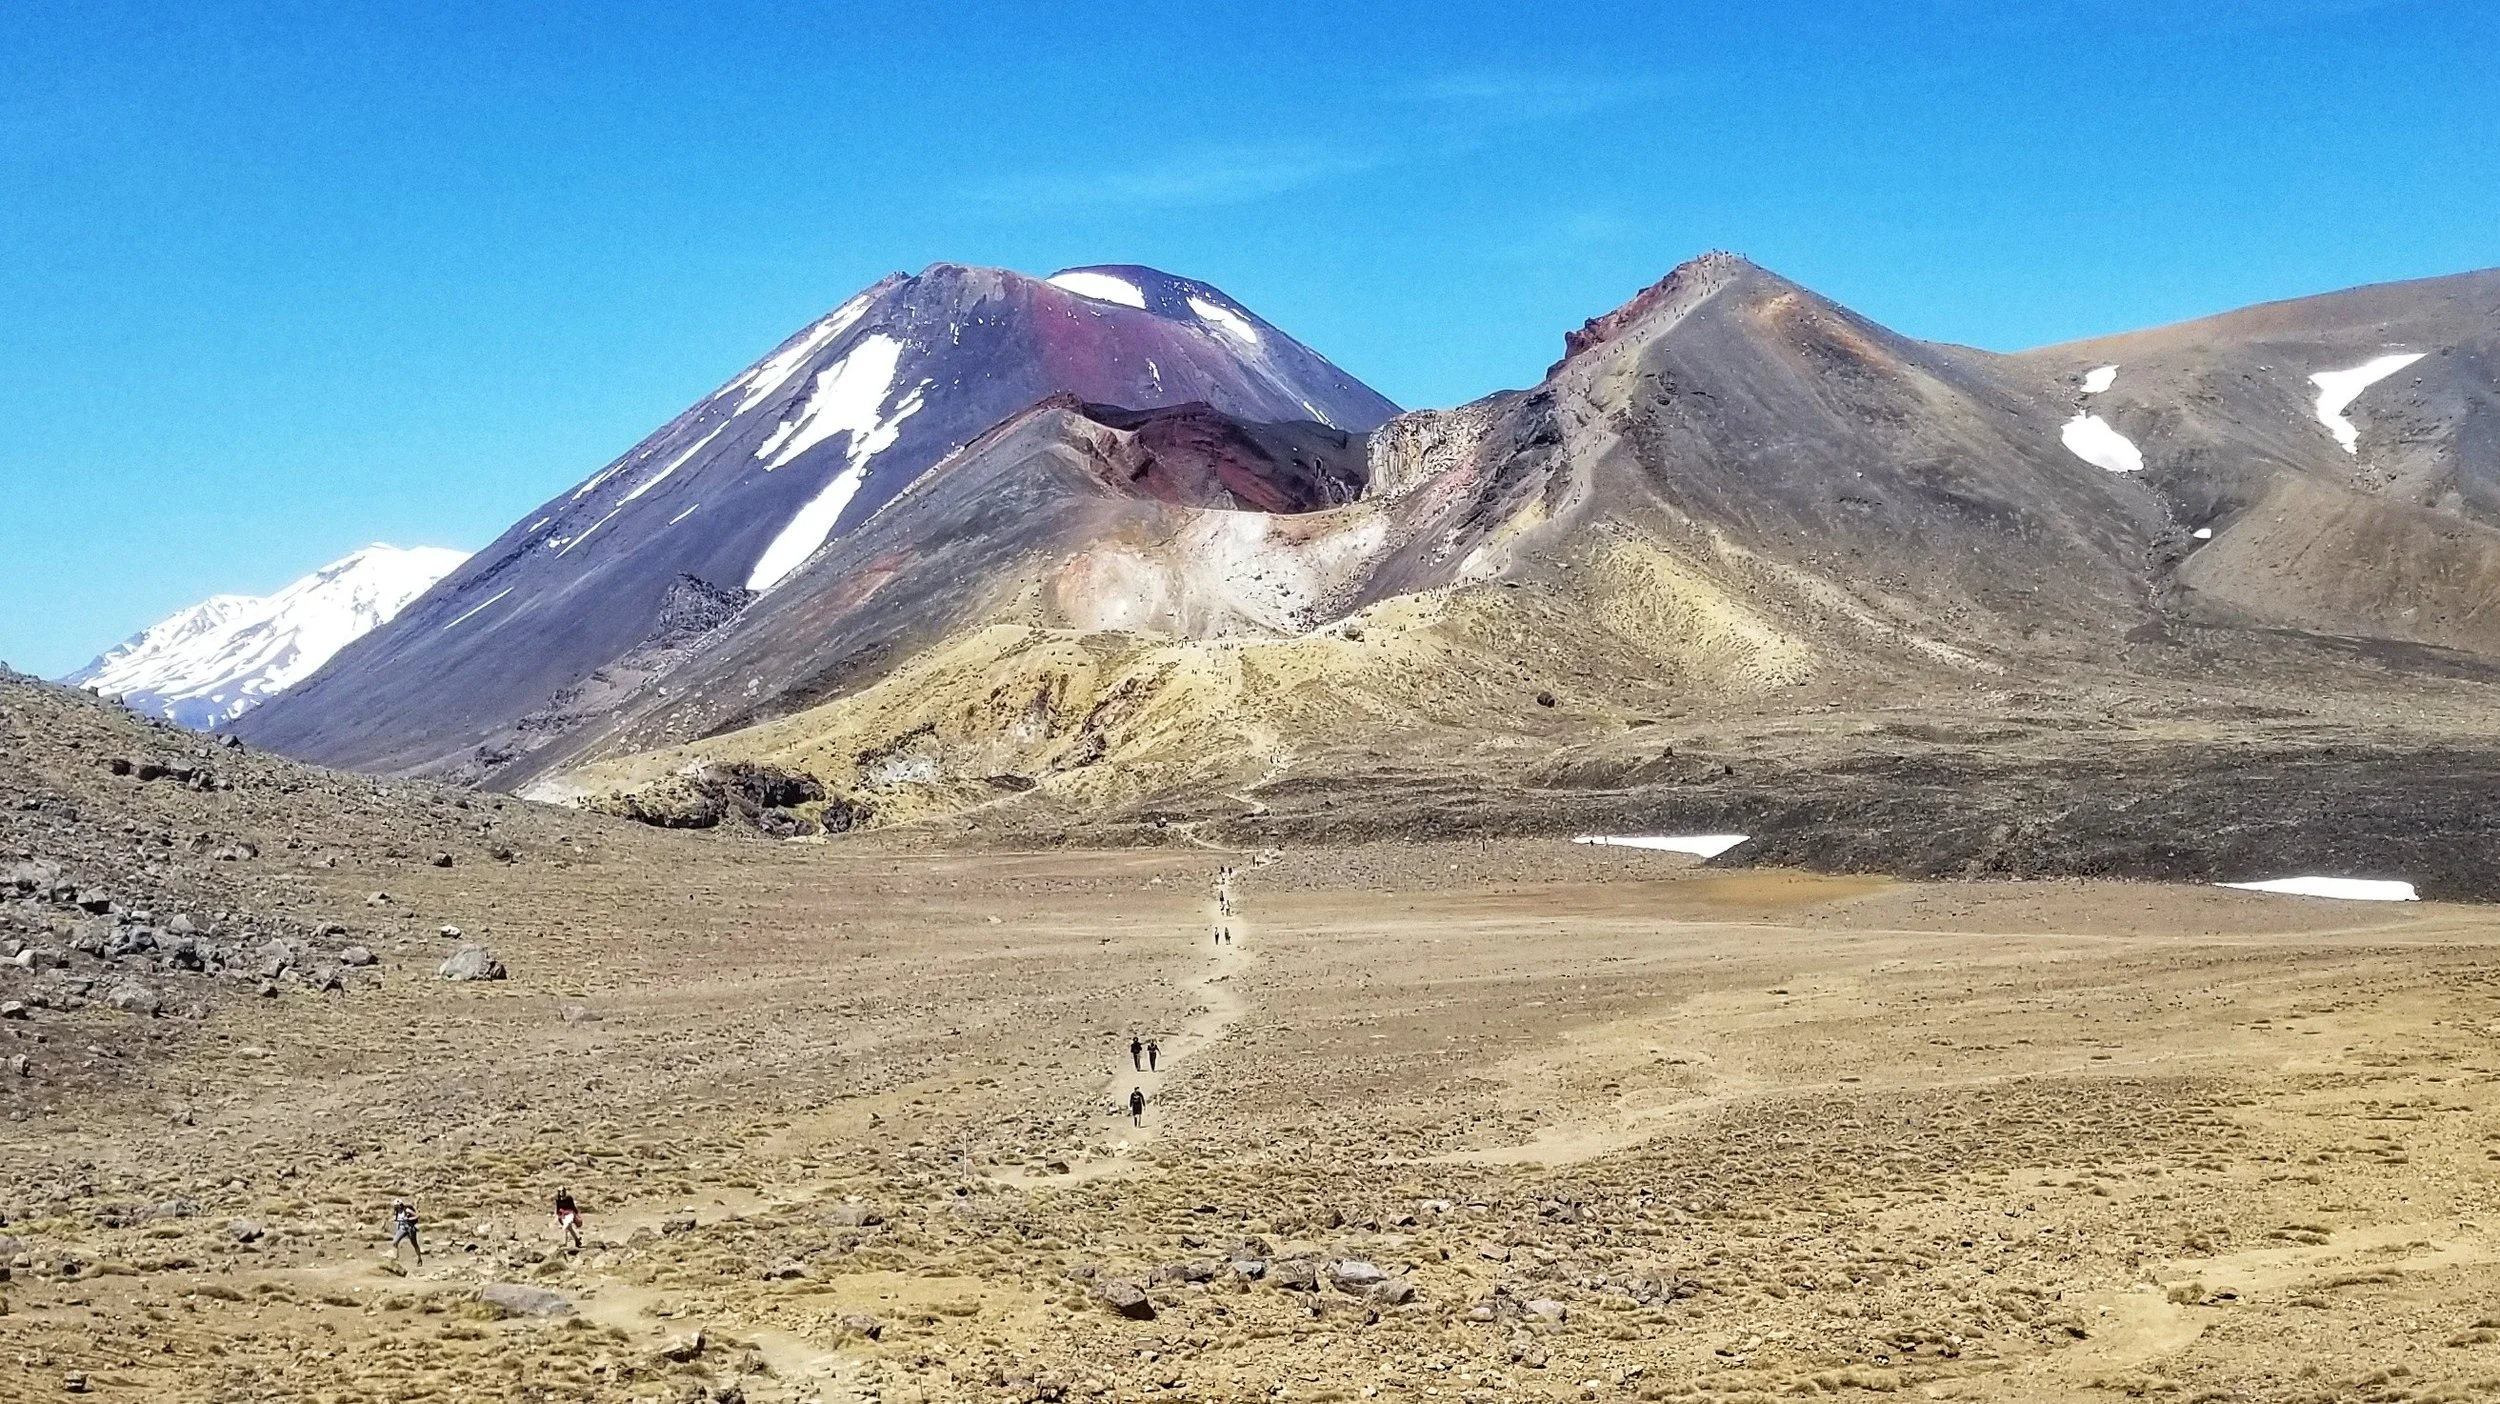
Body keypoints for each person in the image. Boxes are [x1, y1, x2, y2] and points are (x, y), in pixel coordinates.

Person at [389, 1199, 422, 1265]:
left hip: (410, 1228)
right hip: (402, 1228)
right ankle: (396, 1258)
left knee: (414, 1244)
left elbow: (417, 1215)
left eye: (397, 1206)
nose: (397, 1207)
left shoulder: (406, 1210)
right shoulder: (397, 1212)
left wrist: (409, 1219)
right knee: (395, 1242)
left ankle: (419, 1258)